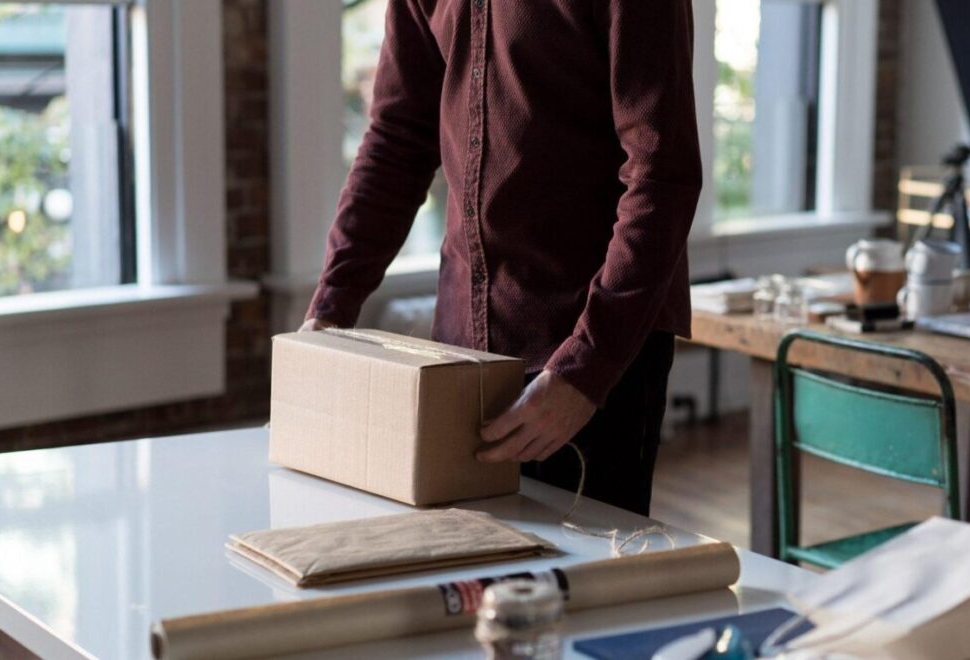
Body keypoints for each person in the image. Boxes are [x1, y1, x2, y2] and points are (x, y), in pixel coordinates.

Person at [300, 1, 701, 517]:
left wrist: (585, 369)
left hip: (591, 355)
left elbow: (661, 177)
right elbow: (397, 139)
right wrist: (330, 309)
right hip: (460, 355)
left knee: (581, 588)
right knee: (465, 580)